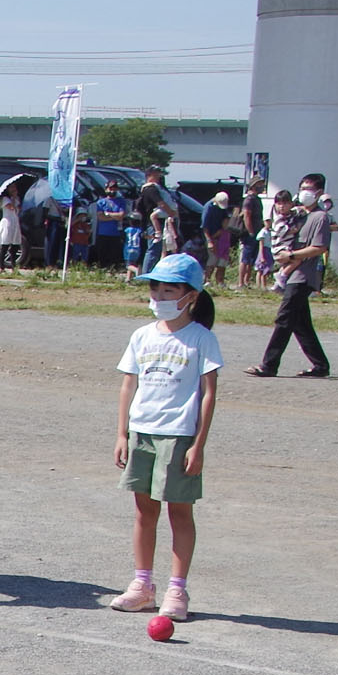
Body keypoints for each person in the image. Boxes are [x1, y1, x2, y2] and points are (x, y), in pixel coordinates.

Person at [109, 254, 223, 624]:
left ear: (190, 296)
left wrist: (198, 444)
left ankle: (177, 588)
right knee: (144, 511)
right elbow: (129, 384)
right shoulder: (141, 335)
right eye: (155, 288)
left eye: (169, 289)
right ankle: (142, 586)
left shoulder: (201, 339)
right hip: (143, 431)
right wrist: (122, 433)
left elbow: (209, 393)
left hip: (178, 436)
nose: (159, 295)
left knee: (179, 511)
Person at [251, 172, 335, 378]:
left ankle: (269, 364)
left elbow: (320, 247)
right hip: (289, 273)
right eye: (302, 188)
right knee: (300, 323)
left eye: (309, 189)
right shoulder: (298, 214)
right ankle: (320, 365)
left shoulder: (320, 217)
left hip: (303, 275)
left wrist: (292, 255)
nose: (304, 193)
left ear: (320, 193)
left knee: (285, 318)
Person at [0, 187, 24, 271]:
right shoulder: (5, 199)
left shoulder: (16, 199)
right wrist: (14, 200)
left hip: (15, 221)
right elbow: (12, 207)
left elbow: (18, 209)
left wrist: (15, 199)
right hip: (7, 222)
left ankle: (13, 266)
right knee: (5, 244)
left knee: (15, 244)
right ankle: (1, 267)